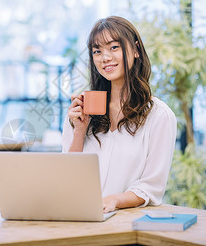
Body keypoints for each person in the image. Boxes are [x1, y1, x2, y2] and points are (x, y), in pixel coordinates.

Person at [62, 16, 177, 213]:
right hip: (80, 218)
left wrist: (114, 200)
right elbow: (67, 179)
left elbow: (151, 187)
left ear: (136, 50)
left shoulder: (159, 115)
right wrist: (79, 132)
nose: (105, 57)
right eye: (97, 51)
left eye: (114, 47)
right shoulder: (81, 112)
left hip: (126, 223)